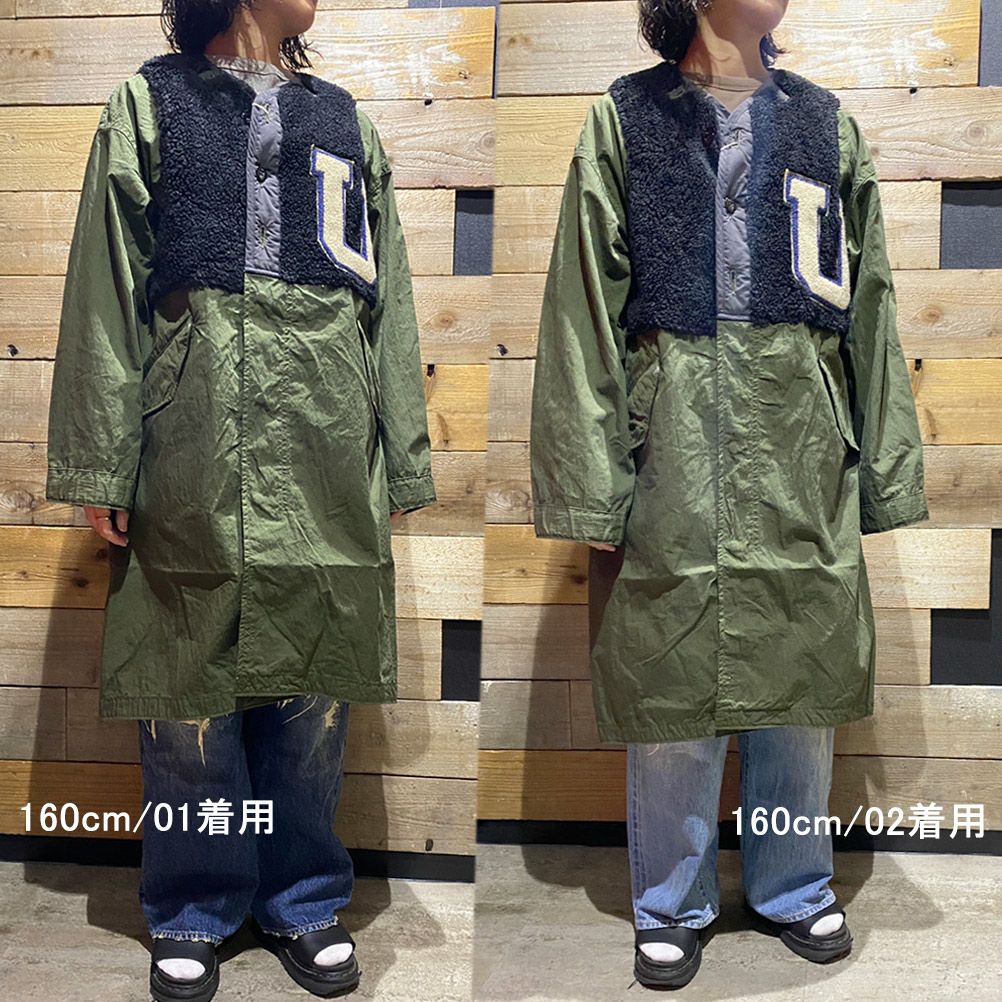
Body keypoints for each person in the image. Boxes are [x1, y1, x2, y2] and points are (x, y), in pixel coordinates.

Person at [529, 0, 929, 990]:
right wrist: (590, 486)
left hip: (801, 436)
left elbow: (870, 302)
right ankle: (672, 899)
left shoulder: (825, 124)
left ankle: (794, 884)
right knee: (672, 672)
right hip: (670, 436)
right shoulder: (624, 119)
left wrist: (883, 466)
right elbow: (581, 312)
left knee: (801, 670)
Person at [44, 0, 436, 998]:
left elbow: (387, 299)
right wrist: (100, 462)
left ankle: (303, 895)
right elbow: (105, 290)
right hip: (191, 441)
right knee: (188, 697)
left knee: (313, 692)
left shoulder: (344, 120)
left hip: (326, 444)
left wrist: (400, 452)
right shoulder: (148, 105)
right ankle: (194, 904)